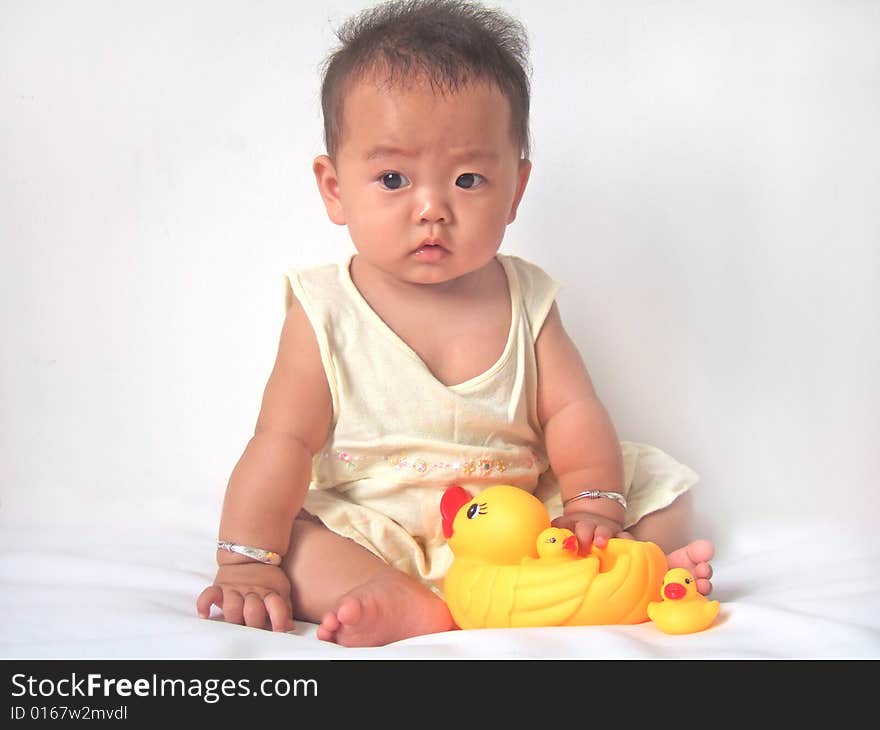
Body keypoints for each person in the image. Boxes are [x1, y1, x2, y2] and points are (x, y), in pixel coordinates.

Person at [196, 0, 714, 647]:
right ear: (334, 187)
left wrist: (591, 506)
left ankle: (624, 569)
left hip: (523, 527)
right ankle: (392, 596)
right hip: (377, 527)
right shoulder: (324, 309)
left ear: (516, 190)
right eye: (393, 178)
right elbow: (280, 443)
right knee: (297, 536)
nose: (432, 209)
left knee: (661, 490)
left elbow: (574, 412)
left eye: (469, 178)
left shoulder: (528, 299)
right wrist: (245, 561)